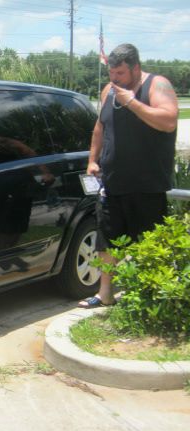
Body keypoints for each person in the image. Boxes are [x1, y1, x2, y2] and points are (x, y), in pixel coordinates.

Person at [78, 43, 178, 308]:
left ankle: (149, 296)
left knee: (149, 243)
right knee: (107, 242)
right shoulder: (109, 91)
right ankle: (105, 293)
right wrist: (92, 160)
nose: (115, 79)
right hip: (112, 183)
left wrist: (132, 102)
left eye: (120, 73)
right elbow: (100, 127)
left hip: (147, 186)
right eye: (112, 73)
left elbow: (168, 121)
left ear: (135, 67)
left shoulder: (157, 85)